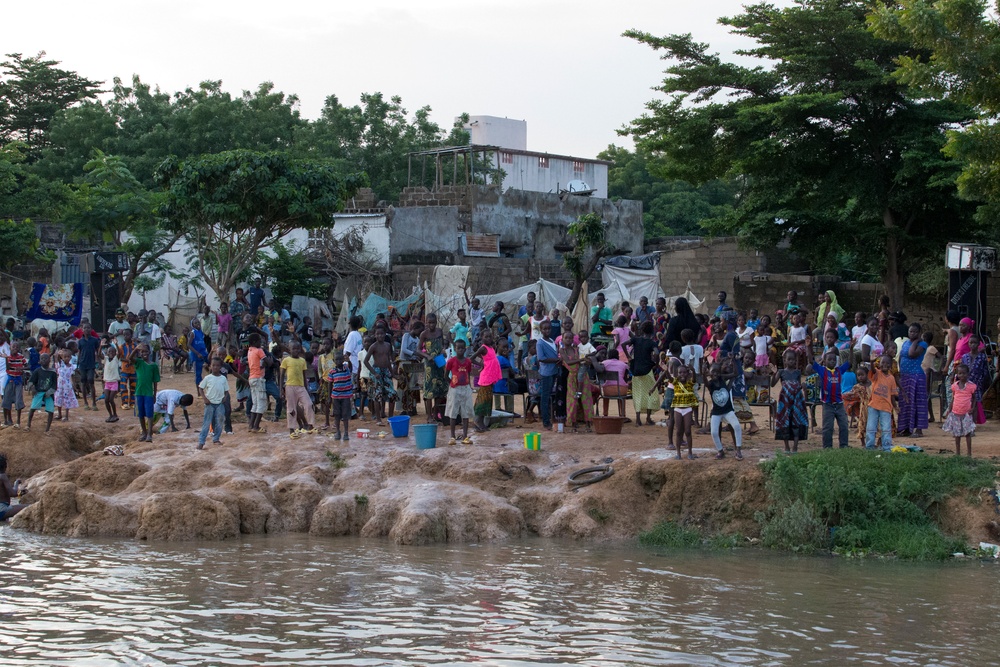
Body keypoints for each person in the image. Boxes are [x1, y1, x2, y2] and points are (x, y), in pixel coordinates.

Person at [812, 350, 852, 449]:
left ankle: (844, 445)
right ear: (824, 361)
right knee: (828, 427)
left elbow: (849, 362)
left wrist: (851, 348)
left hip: (839, 404)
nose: (832, 361)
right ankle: (827, 447)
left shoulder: (839, 370)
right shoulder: (822, 370)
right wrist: (809, 346)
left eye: (834, 360)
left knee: (843, 425)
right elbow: (811, 361)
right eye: (829, 360)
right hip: (827, 404)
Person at [706, 359, 743, 460]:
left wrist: (734, 361)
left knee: (736, 426)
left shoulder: (722, 379)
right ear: (709, 372)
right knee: (714, 432)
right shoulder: (710, 384)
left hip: (728, 410)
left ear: (720, 373)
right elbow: (705, 381)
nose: (715, 374)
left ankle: (738, 450)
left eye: (717, 372)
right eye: (713, 371)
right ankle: (720, 451)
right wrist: (703, 372)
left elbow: (735, 373)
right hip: (716, 412)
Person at [896, 323, 929, 437]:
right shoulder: (905, 343)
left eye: (915, 332)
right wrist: (899, 372)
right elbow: (901, 356)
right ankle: (905, 428)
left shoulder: (923, 344)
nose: (912, 333)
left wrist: (915, 341)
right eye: (910, 331)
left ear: (919, 333)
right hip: (905, 376)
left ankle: (918, 430)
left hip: (917, 376)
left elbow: (912, 353)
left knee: (918, 402)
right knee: (905, 403)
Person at [773, 350, 808, 453]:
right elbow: (772, 384)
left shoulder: (798, 372)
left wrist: (803, 388)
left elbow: (798, 385)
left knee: (796, 423)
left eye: (793, 360)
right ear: (785, 360)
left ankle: (795, 447)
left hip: (797, 401)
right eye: (789, 359)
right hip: (785, 402)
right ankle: (786, 447)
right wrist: (774, 374)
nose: (791, 361)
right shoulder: (781, 372)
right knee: (785, 423)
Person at [444, 339, 475, 444]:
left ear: (465, 349)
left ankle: (465, 436)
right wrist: (452, 384)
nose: (460, 350)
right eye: (458, 348)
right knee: (453, 412)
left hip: (466, 388)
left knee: (465, 413)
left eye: (462, 348)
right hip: (454, 389)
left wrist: (469, 386)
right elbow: (446, 375)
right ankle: (452, 437)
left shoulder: (468, 361)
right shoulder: (451, 361)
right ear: (455, 349)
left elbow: (468, 373)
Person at [363, 329, 397, 426]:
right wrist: (374, 373)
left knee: (392, 394)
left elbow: (388, 360)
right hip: (376, 371)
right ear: (375, 335)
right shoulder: (373, 346)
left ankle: (390, 418)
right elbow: (366, 361)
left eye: (382, 334)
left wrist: (392, 373)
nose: (380, 336)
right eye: (378, 334)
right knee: (378, 395)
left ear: (384, 334)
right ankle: (378, 419)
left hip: (386, 371)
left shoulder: (388, 345)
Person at [128, 343, 161, 442]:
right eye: (142, 352)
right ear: (140, 353)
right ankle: (144, 432)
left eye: (146, 351)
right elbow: (130, 358)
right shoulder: (139, 362)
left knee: (149, 414)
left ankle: (149, 434)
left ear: (149, 352)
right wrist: (136, 349)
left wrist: (155, 394)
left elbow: (155, 381)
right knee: (140, 414)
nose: (144, 353)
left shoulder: (154, 366)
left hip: (148, 393)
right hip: (139, 392)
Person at [281, 342, 315, 437]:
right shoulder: (286, 360)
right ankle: (291, 429)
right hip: (290, 386)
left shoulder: (302, 361)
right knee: (291, 408)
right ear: (289, 349)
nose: (295, 350)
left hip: (301, 386)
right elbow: (282, 375)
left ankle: (310, 425)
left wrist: (306, 388)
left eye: (297, 349)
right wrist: (281, 389)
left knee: (309, 404)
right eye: (293, 348)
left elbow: (304, 376)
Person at [418, 313, 447, 423]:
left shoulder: (439, 331)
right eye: (429, 323)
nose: (431, 325)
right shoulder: (424, 334)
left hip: (439, 361)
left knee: (440, 388)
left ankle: (436, 414)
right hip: (429, 363)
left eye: (433, 322)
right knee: (430, 389)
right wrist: (427, 356)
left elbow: (442, 344)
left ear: (436, 322)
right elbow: (418, 350)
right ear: (426, 323)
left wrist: (443, 350)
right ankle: (429, 416)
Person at [943, 363, 977, 456]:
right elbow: (953, 398)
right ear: (957, 374)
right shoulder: (954, 386)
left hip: (966, 414)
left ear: (968, 374)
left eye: (964, 373)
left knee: (967, 434)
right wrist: (949, 410)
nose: (962, 375)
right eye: (960, 373)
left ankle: (969, 453)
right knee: (957, 434)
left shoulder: (971, 386)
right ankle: (958, 453)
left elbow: (974, 398)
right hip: (956, 413)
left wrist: (973, 408)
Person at [866, 355, 899, 451]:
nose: (885, 365)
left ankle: (886, 447)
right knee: (871, 428)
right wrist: (871, 362)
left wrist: (895, 407)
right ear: (879, 364)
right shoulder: (877, 373)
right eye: (883, 362)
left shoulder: (892, 378)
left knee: (886, 429)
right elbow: (872, 370)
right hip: (873, 406)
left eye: (887, 363)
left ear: (890, 366)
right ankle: (869, 447)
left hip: (886, 407)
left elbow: (892, 395)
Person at [198, 357, 228, 449]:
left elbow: (226, 390)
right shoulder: (208, 378)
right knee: (206, 423)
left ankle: (216, 438)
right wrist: (205, 399)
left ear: (220, 367)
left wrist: (225, 398)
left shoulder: (223, 378)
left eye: (217, 365)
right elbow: (201, 388)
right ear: (210, 366)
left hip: (220, 403)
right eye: (213, 365)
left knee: (219, 421)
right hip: (209, 403)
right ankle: (201, 442)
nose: (215, 367)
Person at [960, 335, 989, 425]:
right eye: (970, 343)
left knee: (975, 403)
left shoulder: (982, 357)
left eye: (974, 343)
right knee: (966, 402)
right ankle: (965, 423)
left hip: (977, 383)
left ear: (978, 344)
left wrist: (983, 382)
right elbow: (961, 369)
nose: (972, 345)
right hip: (966, 383)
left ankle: (973, 424)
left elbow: (985, 371)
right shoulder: (964, 357)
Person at [536, 320, 560, 430]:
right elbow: (541, 358)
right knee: (545, 397)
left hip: (554, 371)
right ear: (540, 330)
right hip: (546, 373)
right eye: (544, 329)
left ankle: (551, 417)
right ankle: (546, 422)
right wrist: (556, 360)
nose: (547, 330)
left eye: (548, 328)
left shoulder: (551, 340)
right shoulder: (540, 343)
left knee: (551, 395)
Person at [26, 353, 56, 433]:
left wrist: (49, 393)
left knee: (50, 411)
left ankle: (47, 429)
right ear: (39, 361)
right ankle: (28, 424)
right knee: (32, 408)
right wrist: (33, 388)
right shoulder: (37, 371)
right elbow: (31, 381)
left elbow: (54, 386)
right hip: (38, 392)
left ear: (49, 360)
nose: (44, 360)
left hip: (49, 393)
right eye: (42, 359)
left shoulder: (53, 372)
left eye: (45, 358)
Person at [75, 321, 101, 411]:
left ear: (91, 329)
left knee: (91, 380)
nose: (87, 329)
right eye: (85, 328)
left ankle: (94, 402)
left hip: (91, 364)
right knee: (83, 381)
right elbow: (79, 353)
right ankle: (85, 402)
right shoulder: (80, 341)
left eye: (88, 328)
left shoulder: (94, 340)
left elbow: (97, 352)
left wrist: (99, 363)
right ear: (82, 330)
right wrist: (77, 365)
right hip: (82, 364)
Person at [328, 351, 353, 441]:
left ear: (343, 360)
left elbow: (351, 367)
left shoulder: (346, 369)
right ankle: (338, 432)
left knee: (345, 415)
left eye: (340, 359)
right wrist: (329, 397)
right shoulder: (332, 372)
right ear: (334, 360)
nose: (338, 361)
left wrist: (348, 360)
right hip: (336, 396)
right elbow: (330, 384)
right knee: (337, 414)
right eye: (336, 359)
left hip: (346, 396)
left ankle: (346, 432)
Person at [2, 341, 25, 428]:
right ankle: (6, 421)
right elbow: (8, 367)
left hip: (18, 381)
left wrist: (22, 368)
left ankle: (18, 422)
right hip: (10, 380)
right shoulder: (8, 357)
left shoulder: (21, 357)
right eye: (13, 347)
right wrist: (6, 359)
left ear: (19, 349)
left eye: (17, 347)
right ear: (10, 348)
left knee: (18, 401)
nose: (15, 348)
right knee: (6, 400)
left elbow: (27, 365)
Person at [53, 349, 78, 423]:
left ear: (71, 357)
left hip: (67, 386)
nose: (66, 358)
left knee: (67, 400)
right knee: (59, 399)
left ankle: (66, 416)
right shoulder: (60, 365)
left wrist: (74, 385)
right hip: (59, 385)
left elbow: (73, 376)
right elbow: (56, 358)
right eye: (65, 357)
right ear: (62, 358)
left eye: (68, 357)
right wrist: (58, 354)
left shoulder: (72, 366)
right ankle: (60, 414)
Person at [0, 453, 27, 520]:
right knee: (30, 507)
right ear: (5, 466)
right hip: (2, 508)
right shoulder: (2, 476)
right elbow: (13, 493)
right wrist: (17, 484)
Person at [188, 317, 209, 394]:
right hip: (197, 356)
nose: (198, 324)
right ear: (193, 325)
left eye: (198, 323)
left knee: (211, 365)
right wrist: (197, 353)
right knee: (198, 374)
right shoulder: (193, 333)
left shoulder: (201, 332)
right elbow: (189, 345)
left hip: (204, 353)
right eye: (195, 323)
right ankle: (199, 392)